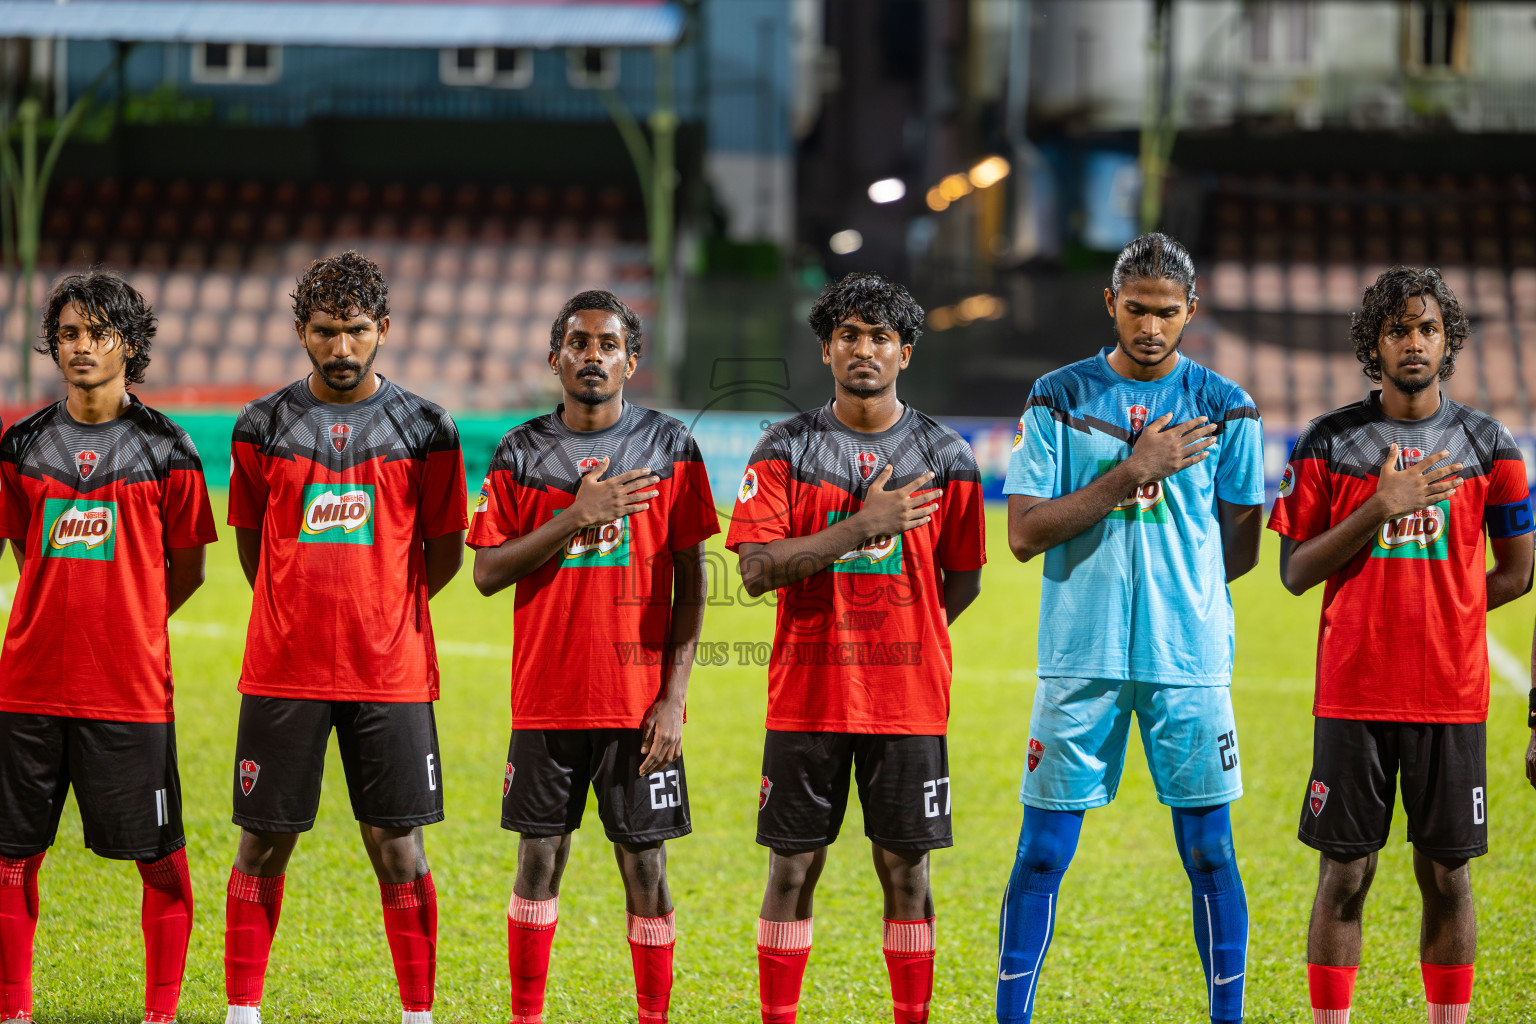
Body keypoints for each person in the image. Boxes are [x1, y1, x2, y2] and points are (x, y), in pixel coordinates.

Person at [997, 233, 1264, 1024]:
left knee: (1210, 851)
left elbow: (1238, 545)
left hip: (1189, 661)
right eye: (1138, 309)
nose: (1152, 326)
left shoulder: (1227, 405)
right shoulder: (1056, 396)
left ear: (1192, 312)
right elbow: (1023, 533)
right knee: (1043, 851)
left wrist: (1184, 594)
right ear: (1111, 304)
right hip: (1080, 658)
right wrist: (1129, 473)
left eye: (1168, 313)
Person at [1268, 266, 1533, 1024]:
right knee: (1345, 874)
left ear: (1447, 341)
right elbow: (1295, 570)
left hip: (1450, 696)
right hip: (1354, 693)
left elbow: (1517, 573)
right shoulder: (1331, 442)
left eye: (1426, 328)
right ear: (1373, 343)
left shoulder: (1491, 446)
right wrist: (1379, 508)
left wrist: (1442, 612)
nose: (1412, 342)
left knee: (1448, 877)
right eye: (1397, 329)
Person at [726, 271, 986, 1024]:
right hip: (806, 698)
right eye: (849, 335)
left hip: (907, 702)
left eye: (880, 337)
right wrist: (860, 529)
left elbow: (960, 582)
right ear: (825, 350)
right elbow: (755, 569)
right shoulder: (786, 446)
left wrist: (908, 639)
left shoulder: (946, 454)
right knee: (793, 869)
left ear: (905, 352)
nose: (864, 349)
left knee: (907, 872)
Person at [221, 250, 467, 1024]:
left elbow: (443, 550)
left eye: (357, 330)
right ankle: (242, 1010)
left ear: (384, 330)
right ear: (301, 332)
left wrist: (381, 610)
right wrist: (299, 608)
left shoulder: (429, 427)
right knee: (263, 843)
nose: (341, 348)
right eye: (325, 331)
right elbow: (254, 545)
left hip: (389, 674)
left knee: (398, 847)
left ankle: (417, 1012)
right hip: (283, 669)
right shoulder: (260, 426)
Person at [467, 290, 718, 1024]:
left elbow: (694, 582)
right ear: (555, 358)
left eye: (609, 344)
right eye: (578, 343)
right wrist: (574, 516)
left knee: (646, 865)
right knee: (538, 862)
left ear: (631, 361)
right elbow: (487, 572)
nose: (592, 356)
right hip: (547, 698)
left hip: (638, 705)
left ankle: (652, 1016)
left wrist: (672, 700)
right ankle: (526, 1015)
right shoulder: (520, 452)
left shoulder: (670, 447)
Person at [0, 271, 216, 1024]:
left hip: (128, 690)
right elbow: (25, 553)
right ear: (53, 345)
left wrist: (125, 621)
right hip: (27, 687)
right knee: (10, 857)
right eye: (68, 333)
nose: (81, 346)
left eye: (97, 332)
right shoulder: (21, 444)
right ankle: (13, 1010)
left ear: (129, 343)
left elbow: (186, 569)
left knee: (158, 860)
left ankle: (161, 1014)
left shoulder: (169, 448)